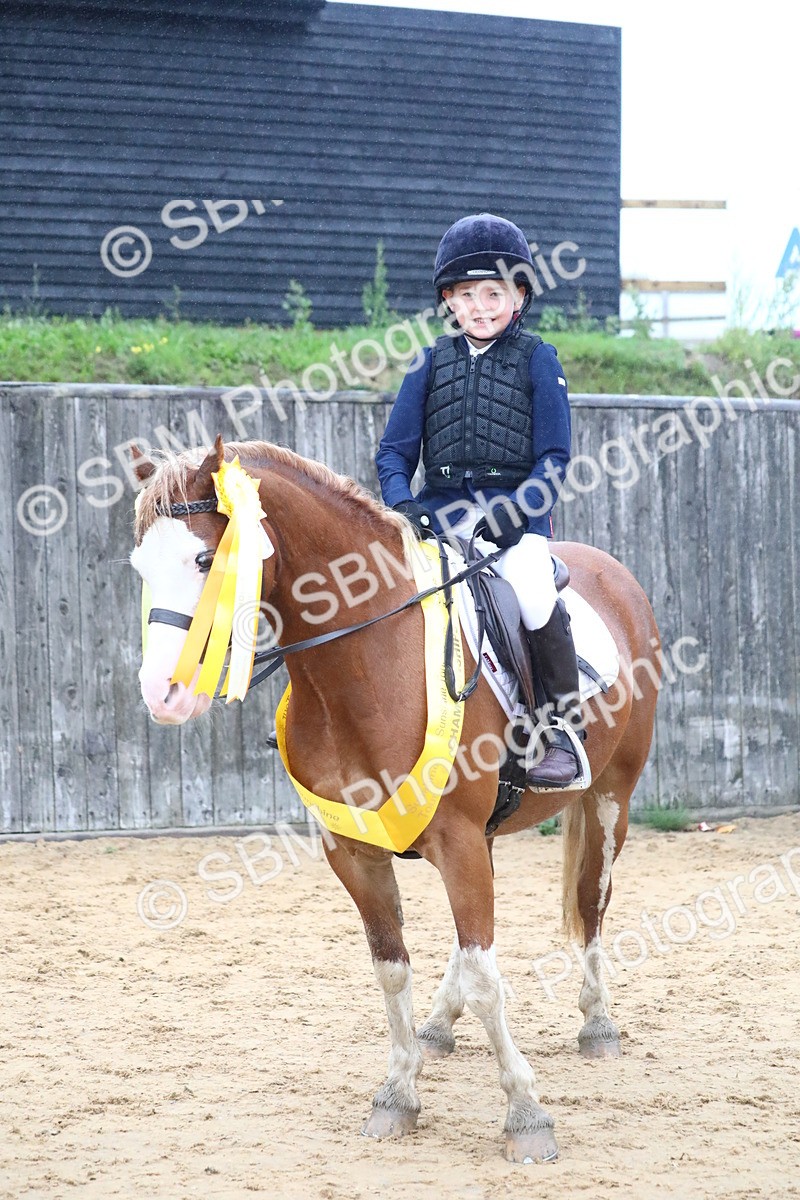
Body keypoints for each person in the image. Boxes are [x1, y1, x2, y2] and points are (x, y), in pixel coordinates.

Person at [375, 212, 581, 788]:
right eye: (467, 295)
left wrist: (513, 516)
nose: (482, 305)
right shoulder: (428, 363)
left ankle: (562, 727)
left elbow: (554, 458)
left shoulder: (539, 359)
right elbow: (393, 453)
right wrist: (403, 503)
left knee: (536, 594)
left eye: (495, 292)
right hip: (436, 516)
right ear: (450, 301)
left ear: (519, 297)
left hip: (512, 520)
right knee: (369, 592)